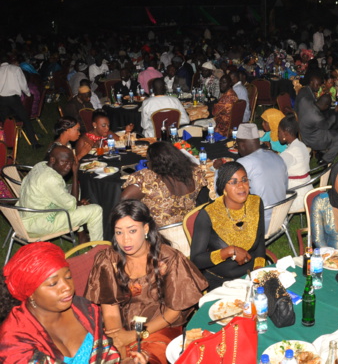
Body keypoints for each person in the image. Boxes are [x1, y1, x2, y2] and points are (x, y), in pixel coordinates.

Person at [86, 200, 208, 362]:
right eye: (119, 232)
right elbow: (110, 312)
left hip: (159, 328)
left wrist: (134, 335)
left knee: (147, 359)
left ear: (145, 229)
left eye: (132, 231)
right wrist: (120, 348)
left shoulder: (169, 260)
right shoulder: (108, 261)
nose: (125, 240)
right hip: (118, 329)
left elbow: (172, 313)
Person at [0, 242, 143, 364]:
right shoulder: (14, 341)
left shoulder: (83, 309)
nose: (67, 287)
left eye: (68, 277)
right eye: (53, 284)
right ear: (30, 292)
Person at [190, 162, 266, 290]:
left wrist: (258, 271)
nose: (241, 186)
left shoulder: (256, 203)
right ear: (223, 188)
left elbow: (260, 243)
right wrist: (229, 251)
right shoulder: (209, 214)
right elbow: (196, 260)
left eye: (244, 180)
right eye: (234, 182)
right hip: (221, 282)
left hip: (251, 276)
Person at [19, 145, 103, 242]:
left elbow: (71, 201)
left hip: (26, 215)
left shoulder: (40, 165)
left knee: (74, 190)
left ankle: (82, 236)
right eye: (64, 162)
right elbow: (73, 204)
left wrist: (77, 203)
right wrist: (75, 174)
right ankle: (98, 249)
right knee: (96, 210)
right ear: (52, 160)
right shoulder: (50, 179)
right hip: (38, 224)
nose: (68, 166)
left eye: (71, 162)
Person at [121, 141, 210, 227]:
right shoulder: (195, 173)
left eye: (148, 161)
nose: (147, 165)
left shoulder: (148, 178)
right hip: (189, 228)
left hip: (161, 235)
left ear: (154, 162)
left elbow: (124, 199)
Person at [228, 123, 287, 232]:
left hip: (260, 223)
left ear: (242, 145)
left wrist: (220, 170)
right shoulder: (277, 157)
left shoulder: (243, 164)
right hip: (281, 218)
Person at [296, 74, 338, 164]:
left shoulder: (304, 101)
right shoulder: (317, 117)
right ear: (326, 106)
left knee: (331, 129)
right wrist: (335, 113)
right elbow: (327, 126)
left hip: (303, 129)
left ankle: (323, 152)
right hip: (311, 139)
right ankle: (325, 159)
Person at [0, 58, 41, 147]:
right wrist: (28, 95)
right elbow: (23, 84)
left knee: (4, 122)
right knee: (25, 119)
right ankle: (34, 143)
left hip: (2, 99)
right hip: (13, 99)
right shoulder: (16, 69)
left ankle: (6, 144)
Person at [279, 114, 312, 213]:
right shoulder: (301, 145)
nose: (277, 135)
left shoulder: (289, 153)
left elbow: (276, 171)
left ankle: (280, 224)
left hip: (296, 197)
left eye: (278, 132)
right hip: (307, 190)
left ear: (285, 134)